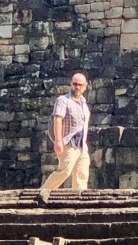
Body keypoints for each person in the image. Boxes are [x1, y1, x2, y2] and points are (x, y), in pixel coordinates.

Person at [38, 72, 91, 202]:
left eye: (80, 85)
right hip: (69, 142)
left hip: (82, 145)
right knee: (64, 171)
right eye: (75, 84)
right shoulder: (63, 100)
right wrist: (58, 141)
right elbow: (58, 119)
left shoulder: (84, 103)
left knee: (82, 173)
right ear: (71, 84)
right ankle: (42, 193)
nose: (77, 87)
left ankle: (79, 201)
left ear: (85, 86)